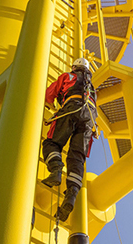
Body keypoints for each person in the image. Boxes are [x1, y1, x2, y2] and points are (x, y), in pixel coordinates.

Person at [41, 58, 98, 221]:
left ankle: (56, 170)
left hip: (71, 108)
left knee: (52, 143)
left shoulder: (68, 76)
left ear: (74, 67)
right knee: (77, 158)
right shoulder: (92, 88)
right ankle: (72, 194)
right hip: (89, 120)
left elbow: (48, 95)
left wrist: (51, 104)